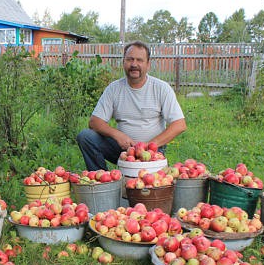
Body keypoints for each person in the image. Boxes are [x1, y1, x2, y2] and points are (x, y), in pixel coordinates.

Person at [76, 40, 186, 171]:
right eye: (130, 59)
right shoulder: (114, 89)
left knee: (146, 186)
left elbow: (179, 125)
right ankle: (103, 182)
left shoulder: (161, 88)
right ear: (123, 62)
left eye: (139, 60)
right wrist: (117, 135)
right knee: (86, 137)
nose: (134, 64)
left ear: (148, 64)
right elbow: (94, 122)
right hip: (123, 149)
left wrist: (150, 145)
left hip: (152, 151)